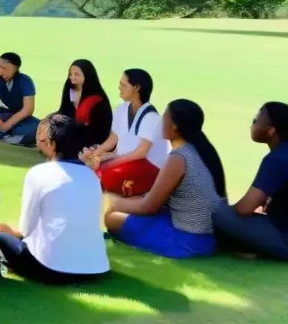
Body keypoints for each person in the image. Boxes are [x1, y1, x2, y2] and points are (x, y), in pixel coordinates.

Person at [0, 114, 109, 285]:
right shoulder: (91, 176)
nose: (38, 145)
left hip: (51, 270)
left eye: (41, 141)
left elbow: (27, 229)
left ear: (52, 144)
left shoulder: (38, 173)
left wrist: (10, 233)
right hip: (94, 269)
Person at [212, 103, 288, 264]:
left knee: (210, 210)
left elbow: (244, 209)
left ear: (271, 130)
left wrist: (226, 216)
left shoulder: (277, 160)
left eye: (256, 120)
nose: (252, 123)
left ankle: (252, 246)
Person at [104, 99, 227, 259]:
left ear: (174, 126)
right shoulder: (200, 150)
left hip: (187, 240)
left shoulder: (179, 157)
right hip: (205, 236)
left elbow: (149, 207)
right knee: (129, 204)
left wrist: (112, 201)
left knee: (111, 217)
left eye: (165, 117)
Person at [80, 69, 169, 197]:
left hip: (147, 166)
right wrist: (95, 154)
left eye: (123, 85)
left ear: (136, 88)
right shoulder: (121, 109)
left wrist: (106, 163)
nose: (119, 88)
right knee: (87, 170)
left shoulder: (151, 117)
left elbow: (140, 153)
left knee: (101, 177)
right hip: (127, 160)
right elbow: (113, 139)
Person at [56, 59, 112, 148]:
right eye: (71, 74)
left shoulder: (96, 97)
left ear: (86, 75)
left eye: (76, 74)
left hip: (92, 133)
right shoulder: (68, 86)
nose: (72, 77)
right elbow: (65, 108)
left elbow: (99, 125)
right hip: (73, 126)